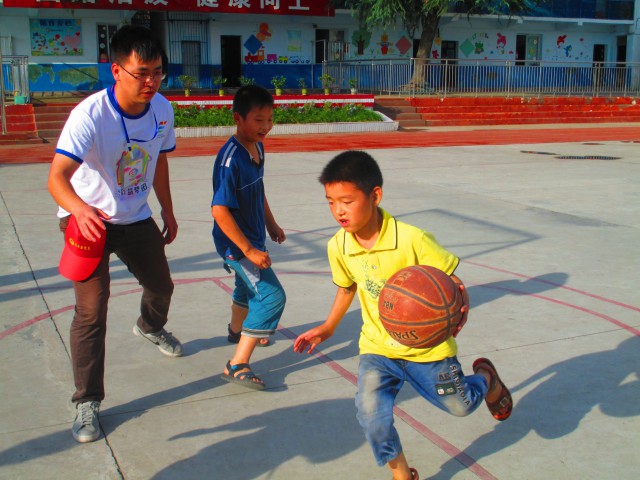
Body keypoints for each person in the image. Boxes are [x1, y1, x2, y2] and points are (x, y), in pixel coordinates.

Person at [293, 151, 513, 480]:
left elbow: (450, 279)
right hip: (377, 348)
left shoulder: (411, 238)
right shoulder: (338, 246)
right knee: (371, 416)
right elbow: (346, 287)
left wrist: (460, 298)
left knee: (461, 405)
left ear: (375, 195)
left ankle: (487, 381)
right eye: (330, 202)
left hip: (428, 349)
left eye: (347, 200)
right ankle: (401, 475)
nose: (338, 210)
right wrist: (328, 327)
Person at [47, 25, 182, 444]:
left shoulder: (162, 109)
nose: (151, 82)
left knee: (162, 286)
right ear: (116, 70)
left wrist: (168, 209)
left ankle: (148, 325)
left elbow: (158, 162)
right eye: (142, 72)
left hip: (136, 217)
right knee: (92, 310)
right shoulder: (89, 115)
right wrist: (80, 209)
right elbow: (57, 178)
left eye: (158, 72)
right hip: (87, 221)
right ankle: (87, 402)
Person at [211, 85, 287, 391]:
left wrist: (271, 223)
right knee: (271, 297)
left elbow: (259, 188)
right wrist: (248, 250)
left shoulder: (257, 147)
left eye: (269, 119)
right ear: (238, 118)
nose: (265, 126)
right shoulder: (230, 160)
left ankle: (237, 329)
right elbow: (219, 210)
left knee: (245, 287)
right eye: (258, 120)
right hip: (236, 243)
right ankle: (237, 364)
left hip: (253, 237)